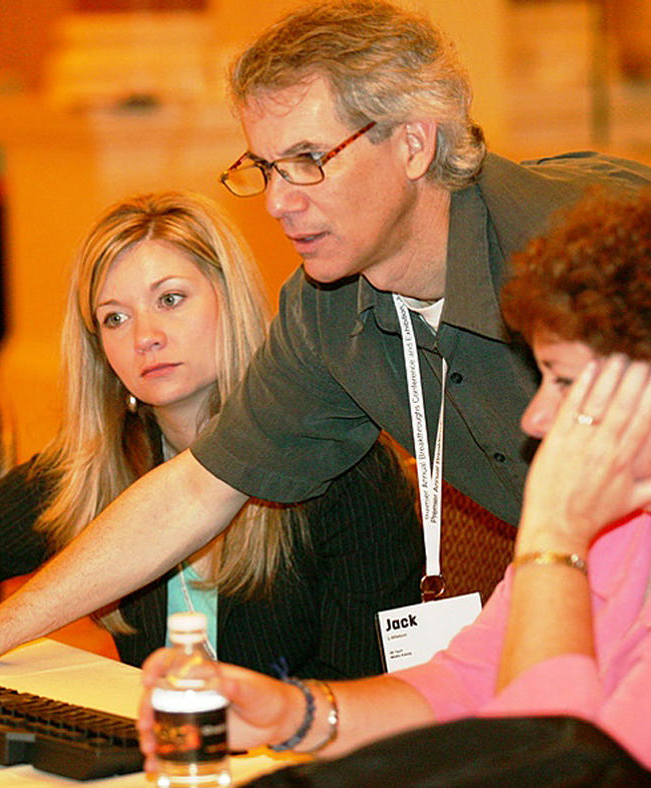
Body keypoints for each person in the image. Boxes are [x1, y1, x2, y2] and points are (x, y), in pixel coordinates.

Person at [0, 0, 651, 673]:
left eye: (308, 162)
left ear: (415, 144)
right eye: (266, 168)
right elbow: (197, 487)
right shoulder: (325, 311)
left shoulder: (594, 237)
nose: (280, 203)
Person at [137, 188, 651, 771]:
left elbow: (546, 764)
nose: (533, 418)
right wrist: (295, 713)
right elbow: (461, 685)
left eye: (562, 381)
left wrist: (552, 540)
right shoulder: (619, 528)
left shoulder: (573, 529)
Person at [0, 190, 422, 679]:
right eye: (115, 318)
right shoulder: (97, 466)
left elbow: (363, 697)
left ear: (230, 301)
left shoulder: (342, 467)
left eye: (170, 299)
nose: (145, 337)